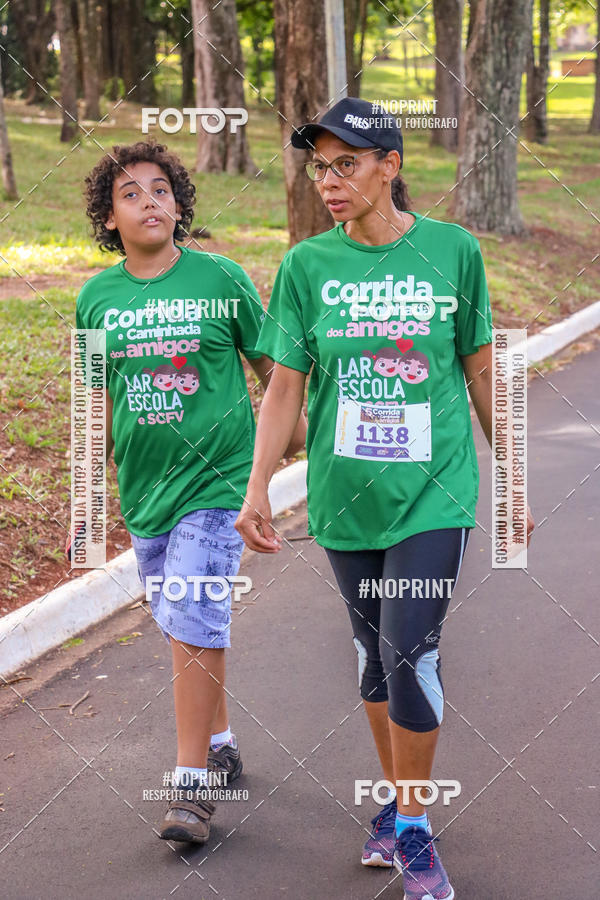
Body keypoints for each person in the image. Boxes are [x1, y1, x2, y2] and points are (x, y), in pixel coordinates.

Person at [235, 98, 534, 899]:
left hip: (435, 491)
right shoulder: (307, 266)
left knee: (408, 649)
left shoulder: (453, 251)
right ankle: (399, 805)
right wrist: (258, 485)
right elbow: (286, 387)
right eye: (318, 168)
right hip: (344, 497)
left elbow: (481, 370)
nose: (328, 182)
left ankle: (413, 823)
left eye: (346, 164)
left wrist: (513, 479)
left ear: (389, 165)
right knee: (373, 656)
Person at [75, 140, 305, 845]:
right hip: (146, 493)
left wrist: (299, 455)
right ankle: (222, 745)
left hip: (219, 482)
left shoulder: (221, 277)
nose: (149, 202)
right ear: (109, 218)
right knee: (184, 625)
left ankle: (191, 787)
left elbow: (277, 374)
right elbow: (93, 403)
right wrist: (86, 503)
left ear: (179, 205)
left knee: (195, 609)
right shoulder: (95, 298)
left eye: (161, 190)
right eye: (131, 194)